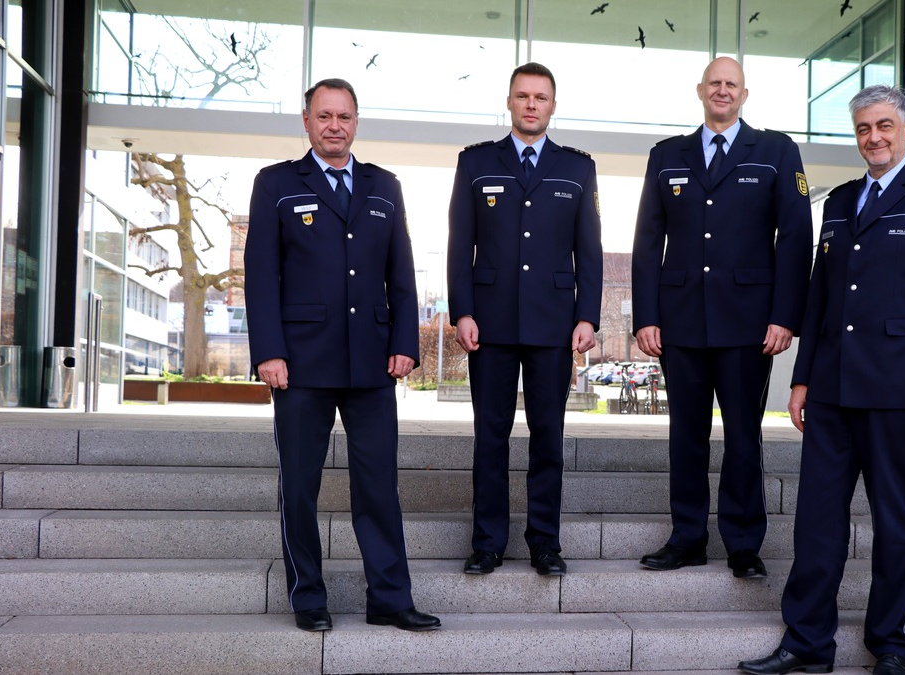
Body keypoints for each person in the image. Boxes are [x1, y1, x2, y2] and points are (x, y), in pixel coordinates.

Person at [738, 85, 905, 675]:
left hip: (901, 392)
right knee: (817, 521)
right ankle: (806, 642)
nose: (874, 137)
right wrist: (802, 380)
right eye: (864, 128)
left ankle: (893, 645)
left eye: (884, 126)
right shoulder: (840, 201)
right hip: (833, 391)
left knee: (896, 523)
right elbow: (821, 296)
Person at [245, 78, 440, 633]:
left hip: (373, 364)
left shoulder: (385, 186)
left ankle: (390, 598)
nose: (335, 126)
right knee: (301, 487)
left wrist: (405, 343)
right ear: (306, 121)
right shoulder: (277, 184)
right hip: (300, 364)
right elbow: (261, 276)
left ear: (357, 122)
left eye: (345, 116)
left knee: (378, 486)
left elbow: (401, 276)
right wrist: (269, 352)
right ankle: (309, 597)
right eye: (325, 116)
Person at [631, 57, 813, 579]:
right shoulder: (667, 155)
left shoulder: (777, 151)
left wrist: (785, 316)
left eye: (731, 84)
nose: (722, 91)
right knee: (684, 434)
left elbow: (796, 237)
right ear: (700, 91)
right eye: (715, 83)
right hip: (681, 321)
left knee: (742, 436)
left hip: (750, 325)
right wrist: (647, 315)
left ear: (744, 94)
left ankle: (742, 544)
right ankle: (687, 537)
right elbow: (647, 241)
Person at [447, 62, 602, 577]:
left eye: (541, 97)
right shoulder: (475, 163)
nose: (532, 104)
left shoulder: (578, 168)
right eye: (523, 96)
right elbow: (459, 245)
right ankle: (488, 542)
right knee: (490, 436)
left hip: (554, 325)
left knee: (547, 437)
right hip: (487, 325)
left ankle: (544, 543)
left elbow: (591, 251)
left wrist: (588, 317)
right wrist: (462, 310)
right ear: (509, 102)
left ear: (553, 105)